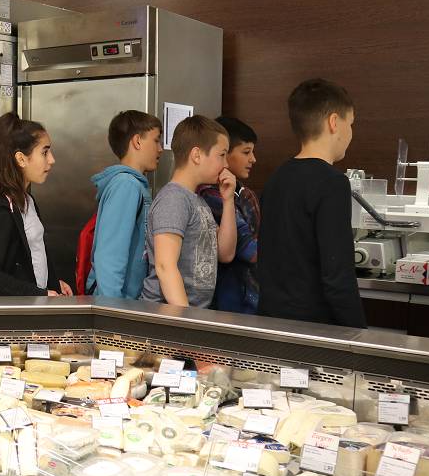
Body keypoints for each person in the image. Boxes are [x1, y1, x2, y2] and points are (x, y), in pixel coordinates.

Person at [257, 78, 366, 328]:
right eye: (351, 124)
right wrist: (359, 335)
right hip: (313, 328)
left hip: (270, 320)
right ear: (334, 122)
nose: (351, 133)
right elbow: (337, 275)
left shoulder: (277, 178)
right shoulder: (332, 183)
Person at [141, 116, 236, 307]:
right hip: (167, 314)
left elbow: (225, 254)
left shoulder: (197, 200)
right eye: (222, 155)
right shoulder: (174, 199)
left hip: (190, 313)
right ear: (197, 155)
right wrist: (186, 319)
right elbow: (165, 266)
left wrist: (228, 201)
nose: (226, 164)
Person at [0, 114, 72, 296]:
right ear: (21, 159)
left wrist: (53, 285)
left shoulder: (28, 201)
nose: (52, 159)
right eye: (44, 152)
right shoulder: (2, 210)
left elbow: (31, 258)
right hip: (14, 313)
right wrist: (39, 294)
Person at [87, 110, 163, 298]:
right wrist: (112, 309)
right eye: (156, 140)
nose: (160, 149)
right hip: (117, 305)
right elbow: (110, 256)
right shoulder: (126, 185)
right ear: (137, 141)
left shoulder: (133, 185)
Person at [199, 116, 261, 314]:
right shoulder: (211, 196)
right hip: (230, 301)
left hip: (248, 294)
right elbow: (248, 249)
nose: (253, 159)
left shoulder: (241, 192)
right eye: (246, 152)